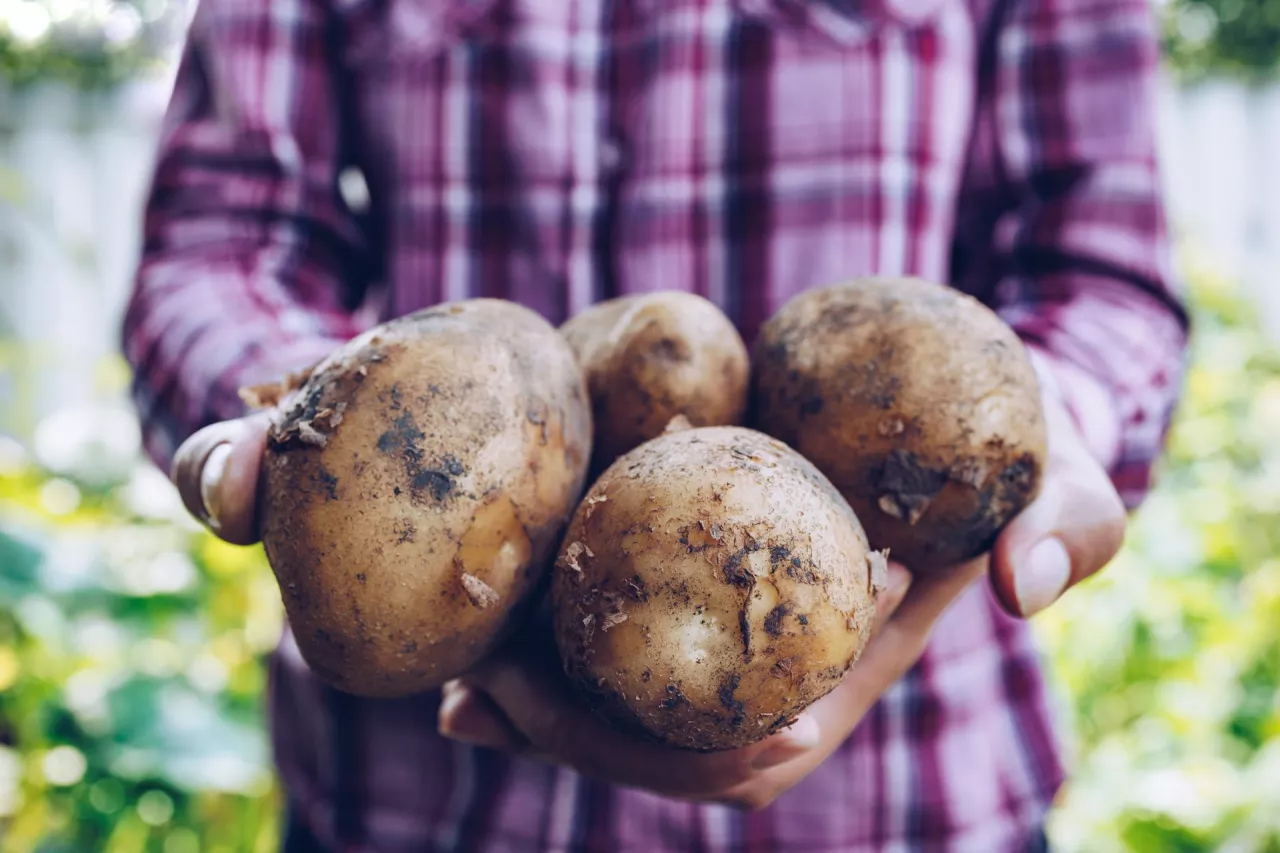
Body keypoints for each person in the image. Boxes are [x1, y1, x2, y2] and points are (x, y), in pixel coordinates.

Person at [121, 0, 1187, 849]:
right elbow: (223, 243)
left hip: (907, 795)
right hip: (407, 788)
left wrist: (1049, 434)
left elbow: (1099, 276)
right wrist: (303, 415)